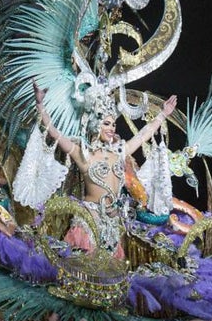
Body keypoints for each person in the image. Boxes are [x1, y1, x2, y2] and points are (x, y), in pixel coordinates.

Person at [34, 83, 176, 254]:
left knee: (108, 273)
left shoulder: (120, 152)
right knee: (83, 270)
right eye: (107, 124)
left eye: (113, 125)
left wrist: (163, 114)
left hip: (113, 221)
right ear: (96, 125)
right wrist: (40, 105)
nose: (111, 129)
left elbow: (143, 135)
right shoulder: (84, 154)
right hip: (89, 219)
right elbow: (55, 133)